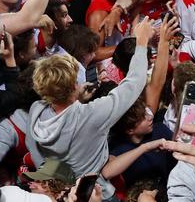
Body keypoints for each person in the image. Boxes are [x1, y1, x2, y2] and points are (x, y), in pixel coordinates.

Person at [26, 17, 153, 202]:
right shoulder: (92, 115)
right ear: (73, 86)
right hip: (95, 193)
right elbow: (135, 82)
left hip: (61, 193)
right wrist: (141, 43)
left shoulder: (36, 110)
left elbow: (38, 156)